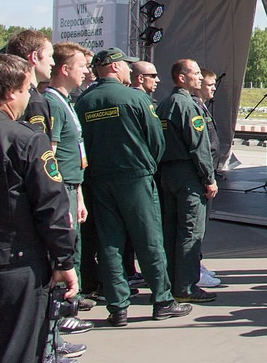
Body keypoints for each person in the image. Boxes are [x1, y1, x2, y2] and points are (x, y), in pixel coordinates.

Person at [74, 47, 191, 326]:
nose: (129, 69)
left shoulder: (83, 102)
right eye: (125, 65)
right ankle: (162, 300)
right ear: (114, 67)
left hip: (99, 180)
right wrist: (147, 166)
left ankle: (117, 308)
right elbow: (156, 141)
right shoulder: (136, 98)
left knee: (109, 243)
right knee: (148, 239)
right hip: (135, 177)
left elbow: (80, 145)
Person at [0, 54, 78, 363]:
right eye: (28, 89)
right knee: (17, 352)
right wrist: (64, 260)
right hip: (15, 264)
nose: (31, 96)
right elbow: (51, 207)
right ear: (9, 92)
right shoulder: (26, 140)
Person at [156, 59, 218, 304]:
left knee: (171, 230)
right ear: (181, 77)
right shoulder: (186, 105)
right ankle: (187, 286)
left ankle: (172, 281)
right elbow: (198, 146)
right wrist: (209, 177)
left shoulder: (164, 104)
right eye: (195, 74)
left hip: (168, 174)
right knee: (191, 231)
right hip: (188, 176)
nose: (199, 79)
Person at [44, 43, 94, 331]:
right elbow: (50, 156)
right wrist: (63, 195)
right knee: (63, 250)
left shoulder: (67, 101)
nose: (86, 71)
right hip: (60, 189)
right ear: (65, 70)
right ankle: (59, 319)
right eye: (80, 66)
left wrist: (79, 195)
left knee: (73, 245)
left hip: (72, 186)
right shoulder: (52, 103)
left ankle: (67, 310)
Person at [193, 68, 222, 288]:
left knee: (200, 227)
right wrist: (208, 177)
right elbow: (198, 147)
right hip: (200, 179)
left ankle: (196, 263)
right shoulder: (194, 108)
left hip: (205, 175)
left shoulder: (202, 107)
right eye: (210, 84)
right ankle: (193, 270)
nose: (214, 88)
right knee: (195, 227)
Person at [5, 29, 54, 134]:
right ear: (34, 57)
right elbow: (39, 147)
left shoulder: (7, 95)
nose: (52, 63)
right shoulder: (34, 101)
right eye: (50, 56)